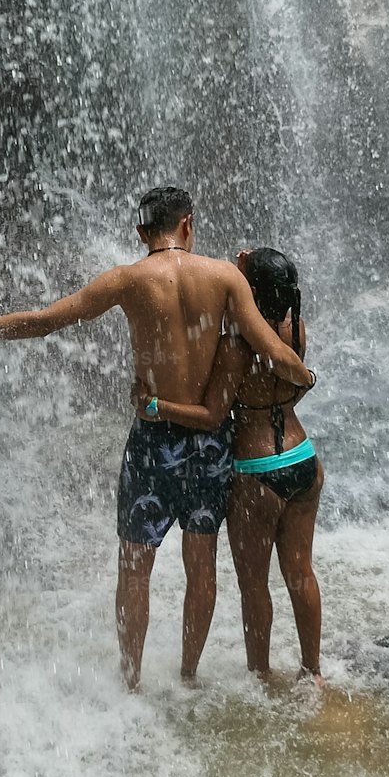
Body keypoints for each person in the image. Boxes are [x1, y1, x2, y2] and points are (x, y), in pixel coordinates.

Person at [0, 188, 314, 690]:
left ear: (142, 233)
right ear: (188, 225)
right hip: (208, 446)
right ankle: (188, 678)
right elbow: (272, 350)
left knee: (135, 567)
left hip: (153, 444)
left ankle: (132, 681)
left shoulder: (127, 280)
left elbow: (44, 321)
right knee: (200, 564)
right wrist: (306, 377)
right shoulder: (224, 277)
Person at [135, 248, 323, 685]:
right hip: (302, 459)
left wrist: (156, 405)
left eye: (242, 272)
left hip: (257, 472)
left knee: (254, 585)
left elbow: (212, 416)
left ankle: (260, 673)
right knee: (300, 572)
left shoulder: (237, 345)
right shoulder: (295, 329)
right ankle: (313, 672)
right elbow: (297, 384)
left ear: (251, 291)